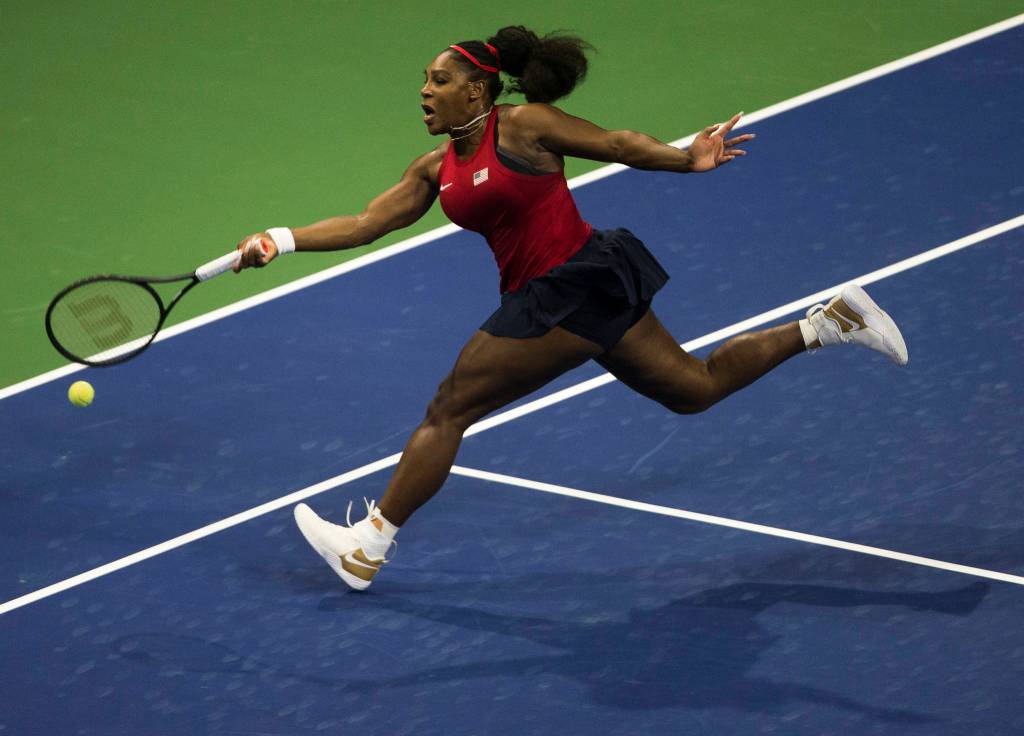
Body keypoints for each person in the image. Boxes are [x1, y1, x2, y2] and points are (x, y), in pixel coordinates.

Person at [234, 26, 908, 591]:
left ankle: (367, 545)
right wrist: (279, 240)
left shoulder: (523, 126)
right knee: (693, 390)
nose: (424, 91)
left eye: (438, 81)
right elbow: (363, 223)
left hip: (568, 287)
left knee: (450, 408)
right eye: (425, 80)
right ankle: (829, 322)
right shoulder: (433, 168)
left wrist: (685, 160)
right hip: (581, 292)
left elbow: (615, 144)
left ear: (477, 89)